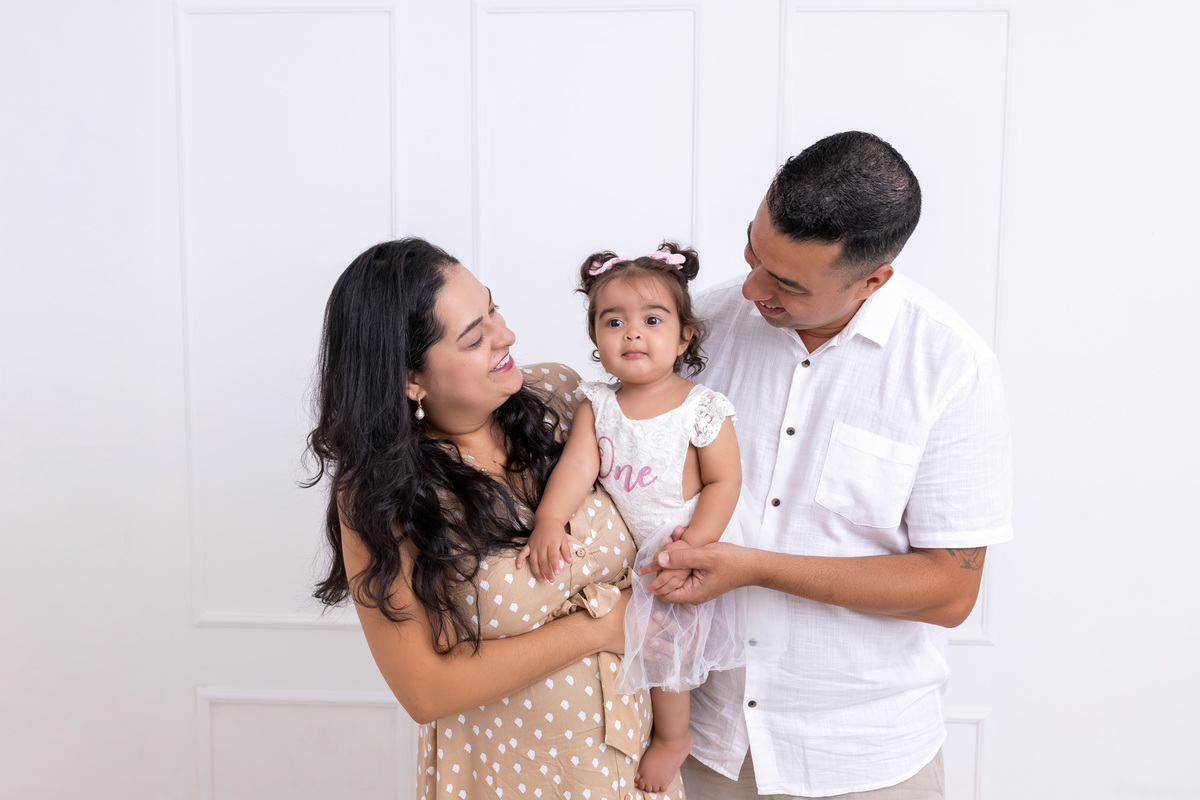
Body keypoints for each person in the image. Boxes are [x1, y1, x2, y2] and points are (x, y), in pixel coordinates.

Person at [640, 131, 1014, 799]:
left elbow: (951, 589)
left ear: (874, 279)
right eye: (753, 252)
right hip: (705, 744)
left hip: (865, 760)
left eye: (786, 283)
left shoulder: (951, 367)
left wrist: (754, 568)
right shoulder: (702, 329)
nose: (753, 287)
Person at [305, 238, 684, 800]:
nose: (504, 335)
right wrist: (600, 628)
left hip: (631, 770)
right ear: (411, 378)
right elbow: (425, 691)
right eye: (474, 336)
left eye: (493, 309)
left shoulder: (559, 398)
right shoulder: (381, 495)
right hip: (510, 780)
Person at [516, 243, 746, 793]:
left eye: (652, 320)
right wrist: (549, 520)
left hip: (683, 543)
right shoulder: (599, 404)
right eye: (613, 321)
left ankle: (673, 739)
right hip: (626, 554)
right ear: (596, 340)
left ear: (684, 335)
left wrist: (697, 544)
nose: (632, 334)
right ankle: (628, 731)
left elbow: (724, 481)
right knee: (636, 643)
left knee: (666, 648)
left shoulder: (701, 406)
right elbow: (576, 465)